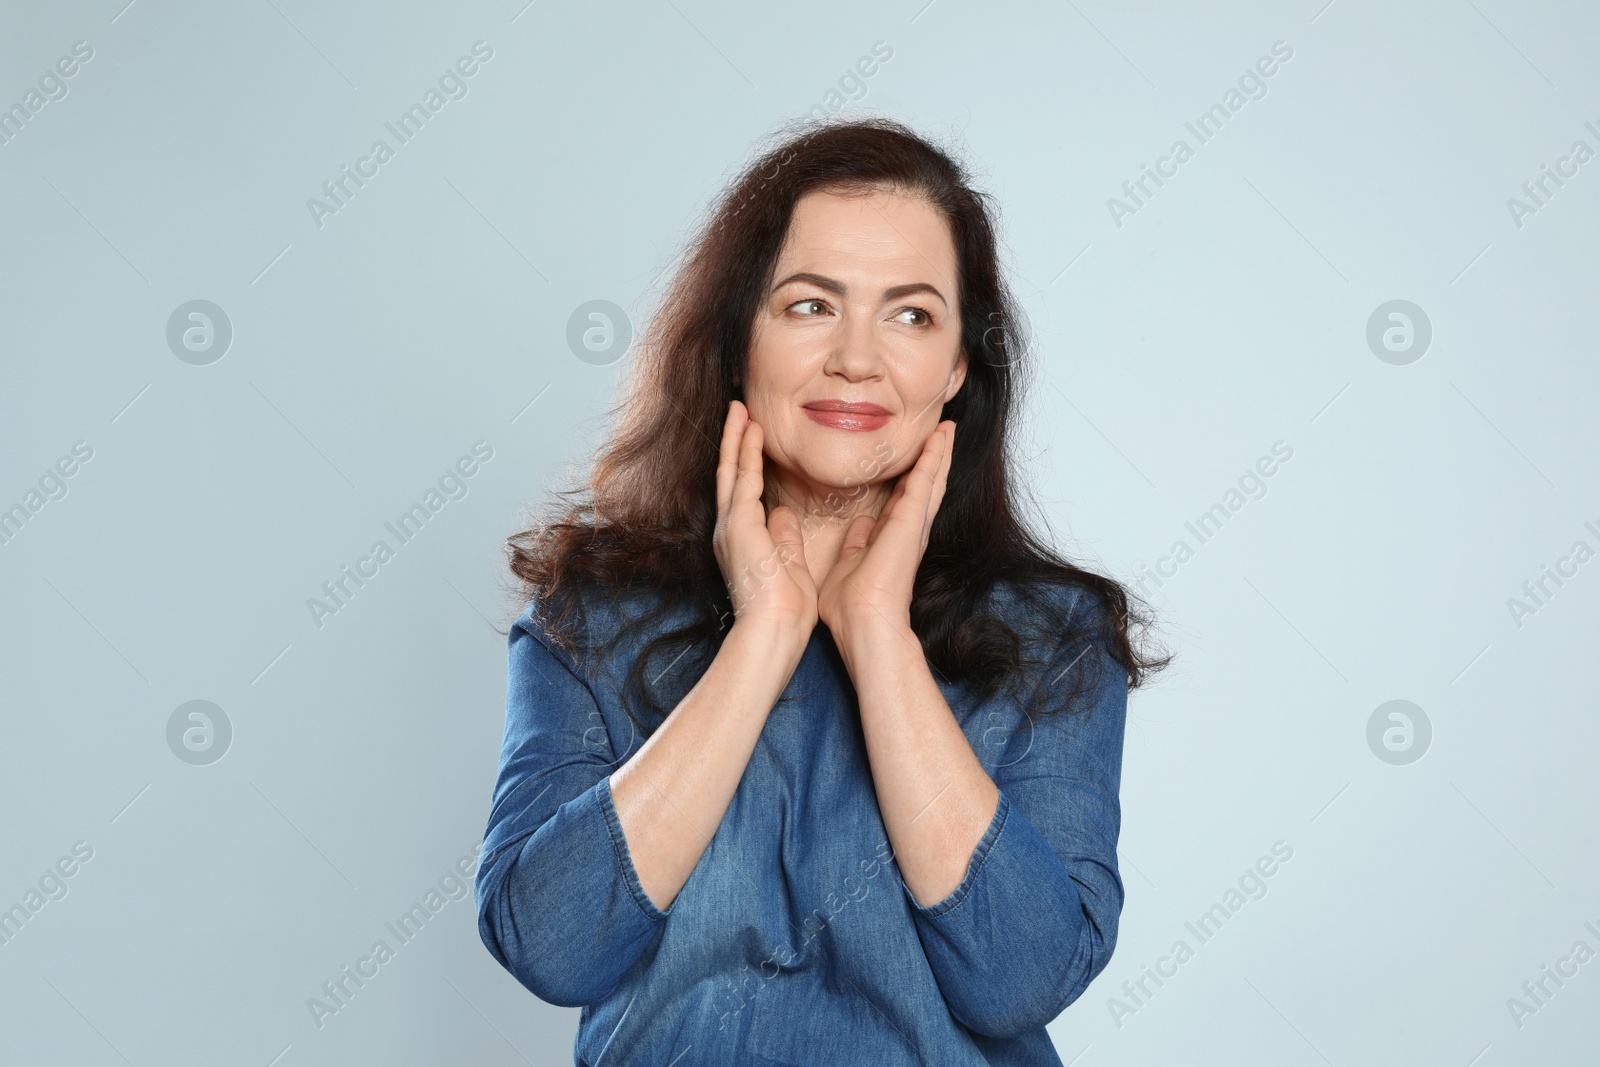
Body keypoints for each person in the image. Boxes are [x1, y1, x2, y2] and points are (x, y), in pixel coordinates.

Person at [474, 116, 1166, 1066]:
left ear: (959, 365)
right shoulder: (593, 617)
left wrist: (877, 631)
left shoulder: (1055, 636)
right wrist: (764, 635)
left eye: (912, 314)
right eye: (810, 305)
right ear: (738, 337)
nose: (857, 358)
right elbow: (552, 945)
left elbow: (1021, 979)